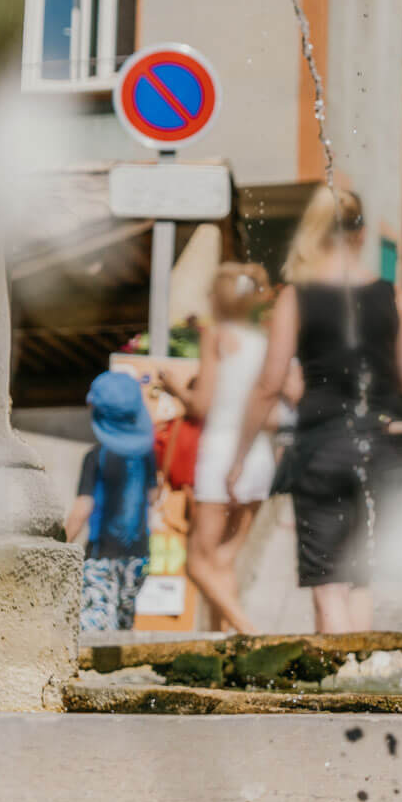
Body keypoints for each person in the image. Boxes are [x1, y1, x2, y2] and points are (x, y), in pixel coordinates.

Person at [230, 187, 402, 634]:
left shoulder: (297, 298)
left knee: (329, 583)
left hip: (322, 449)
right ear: (361, 235)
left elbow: (269, 383)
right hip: (383, 449)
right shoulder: (391, 295)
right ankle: (363, 683)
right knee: (359, 579)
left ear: (315, 234)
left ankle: (341, 697)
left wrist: (240, 455)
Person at [163, 263, 284, 635]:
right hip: (260, 455)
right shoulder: (265, 340)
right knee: (224, 561)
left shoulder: (216, 337)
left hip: (220, 453)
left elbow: (202, 404)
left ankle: (250, 633)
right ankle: (221, 647)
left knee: (198, 563)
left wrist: (174, 388)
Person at [65, 370, 159, 633]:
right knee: (123, 621)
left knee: (94, 625)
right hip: (139, 554)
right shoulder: (147, 455)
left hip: (100, 556)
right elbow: (153, 495)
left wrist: (58, 545)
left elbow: (84, 507)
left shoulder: (96, 456)